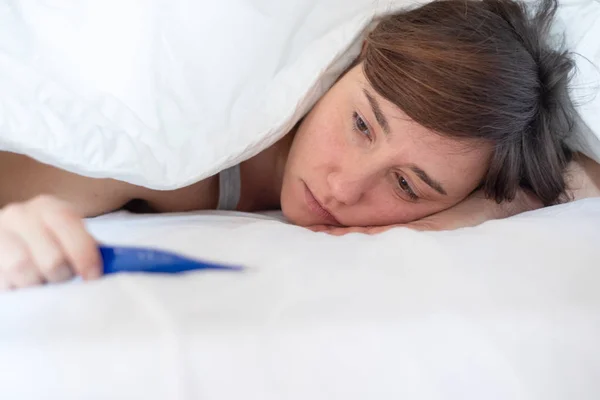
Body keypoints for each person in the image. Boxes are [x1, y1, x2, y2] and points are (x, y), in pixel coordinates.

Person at [0, 0, 599, 290]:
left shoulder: (475, 193)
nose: (343, 187)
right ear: (354, 60)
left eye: (407, 185)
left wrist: (487, 207)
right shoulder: (170, 141)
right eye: (363, 124)